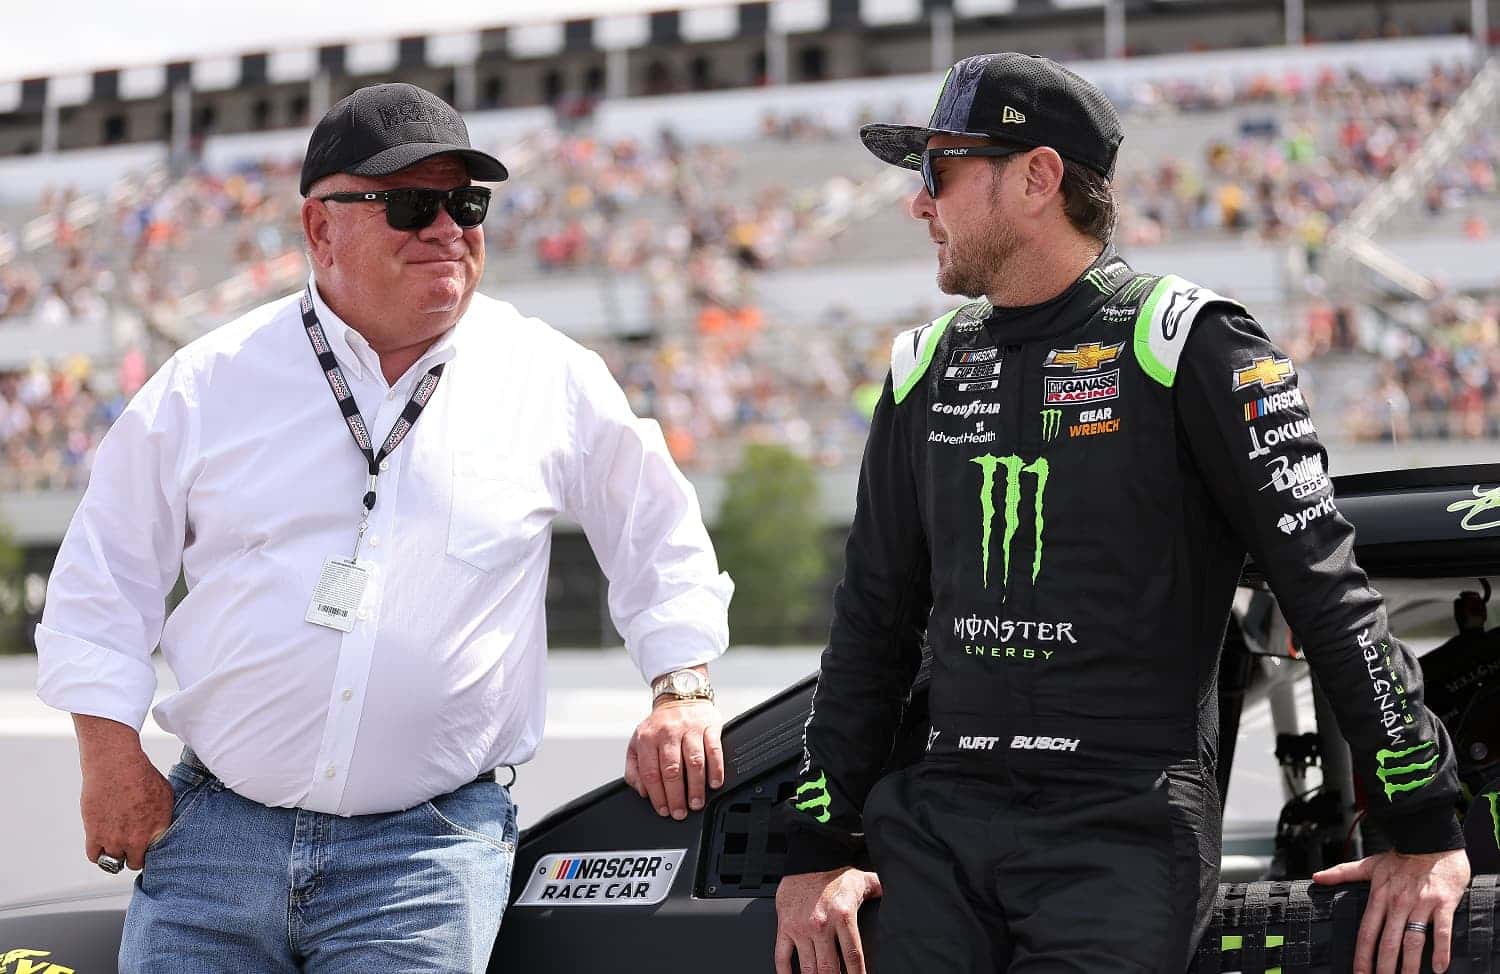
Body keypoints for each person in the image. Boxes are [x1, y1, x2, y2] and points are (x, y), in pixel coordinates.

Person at [773, 53, 1469, 974]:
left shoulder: (1189, 341)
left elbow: (1325, 586)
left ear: (1038, 178)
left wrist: (1421, 815)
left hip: (1121, 829)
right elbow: (871, 626)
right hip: (938, 828)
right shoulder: (922, 367)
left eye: (939, 171)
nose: (918, 203)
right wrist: (817, 844)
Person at [35, 82, 733, 973]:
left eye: (466, 202)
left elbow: (659, 534)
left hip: (424, 857)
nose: (447, 227)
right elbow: (102, 581)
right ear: (320, 229)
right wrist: (108, 754)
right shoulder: (205, 384)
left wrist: (682, 689)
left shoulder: (548, 378)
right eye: (410, 203)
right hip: (215, 841)